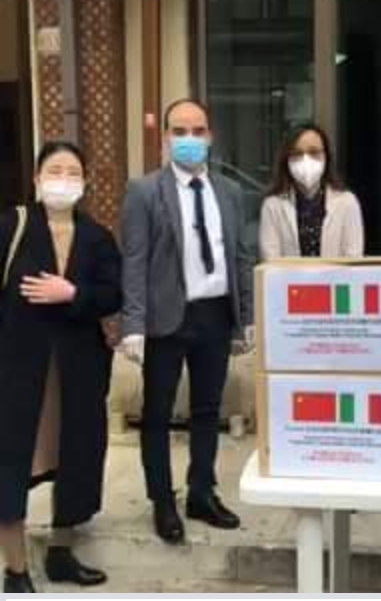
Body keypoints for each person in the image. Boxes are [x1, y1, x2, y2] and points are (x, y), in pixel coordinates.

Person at [119, 100, 253, 546]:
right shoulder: (144, 191)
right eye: (180, 131)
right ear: (166, 138)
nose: (189, 139)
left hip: (215, 314)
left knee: (207, 410)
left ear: (210, 136)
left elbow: (240, 256)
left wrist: (246, 318)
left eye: (198, 131)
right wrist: (132, 325)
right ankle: (162, 500)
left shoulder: (230, 192)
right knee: (157, 414)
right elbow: (134, 262)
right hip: (166, 317)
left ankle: (202, 492)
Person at [0, 142, 122, 593]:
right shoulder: (12, 226)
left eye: (73, 172)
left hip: (78, 370)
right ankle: (15, 571)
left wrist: (73, 294)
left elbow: (113, 294)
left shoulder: (97, 236)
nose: (63, 180)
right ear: (36, 178)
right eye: (54, 170)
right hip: (17, 370)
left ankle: (61, 552)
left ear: (85, 182)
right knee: (10, 464)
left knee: (77, 458)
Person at [260, 124, 364, 260]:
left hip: (336, 275)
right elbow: (270, 261)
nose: (306, 160)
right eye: (297, 153)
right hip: (287, 275)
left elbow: (353, 258)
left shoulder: (347, 202)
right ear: (286, 159)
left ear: (326, 156)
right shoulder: (272, 205)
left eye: (314, 152)